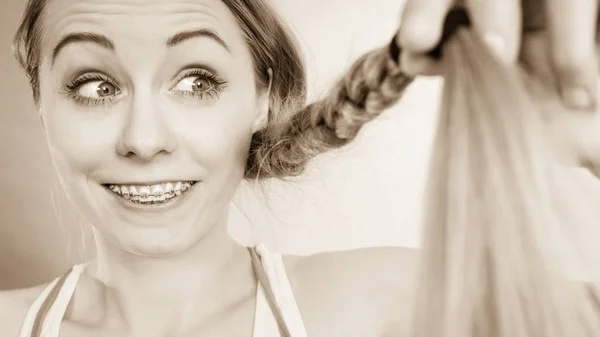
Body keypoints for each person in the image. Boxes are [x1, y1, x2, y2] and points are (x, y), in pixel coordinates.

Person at [0, 0, 596, 337]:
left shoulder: (395, 308)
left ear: (261, 97)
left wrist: (590, 122)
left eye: (196, 81)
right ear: (41, 102)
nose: (144, 139)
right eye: (93, 85)